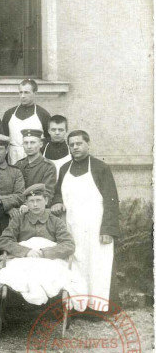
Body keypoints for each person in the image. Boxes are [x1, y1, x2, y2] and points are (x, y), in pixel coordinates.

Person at [51, 130, 119, 312]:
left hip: (97, 227)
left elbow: (111, 200)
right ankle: (76, 306)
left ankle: (98, 308)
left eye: (79, 144)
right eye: (71, 145)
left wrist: (108, 229)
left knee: (98, 265)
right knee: (76, 264)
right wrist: (57, 202)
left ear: (88, 144)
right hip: (72, 226)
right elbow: (57, 193)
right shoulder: (65, 168)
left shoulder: (100, 168)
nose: (75, 148)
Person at [0, 184, 75, 261]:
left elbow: (68, 244)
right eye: (31, 201)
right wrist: (25, 251)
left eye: (38, 200)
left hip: (49, 261)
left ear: (46, 201)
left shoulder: (56, 221)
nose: (35, 205)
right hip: (23, 260)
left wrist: (45, 253)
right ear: (26, 203)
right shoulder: (18, 220)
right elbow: (3, 241)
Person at [2, 79, 52, 165]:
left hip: (35, 158)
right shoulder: (9, 114)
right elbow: (3, 138)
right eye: (20, 92)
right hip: (13, 157)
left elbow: (49, 138)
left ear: (35, 93)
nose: (22, 96)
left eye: (26, 92)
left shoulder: (43, 114)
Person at [15, 128, 57, 205]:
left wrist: (27, 205)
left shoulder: (48, 166)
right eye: (26, 143)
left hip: (38, 208)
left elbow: (47, 193)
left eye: (32, 142)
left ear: (40, 144)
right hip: (19, 208)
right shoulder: (18, 165)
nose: (29, 146)